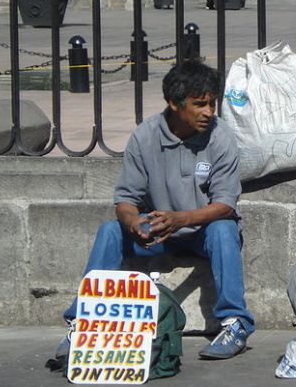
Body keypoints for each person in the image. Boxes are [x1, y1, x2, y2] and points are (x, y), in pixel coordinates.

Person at [58, 60, 255, 360]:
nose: (209, 112)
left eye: (212, 104)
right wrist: (133, 221)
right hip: (159, 232)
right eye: (200, 104)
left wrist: (182, 219)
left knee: (224, 229)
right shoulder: (145, 136)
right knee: (111, 231)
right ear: (174, 104)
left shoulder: (221, 137)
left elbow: (226, 204)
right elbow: (125, 198)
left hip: (201, 231)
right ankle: (82, 323)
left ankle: (235, 322)